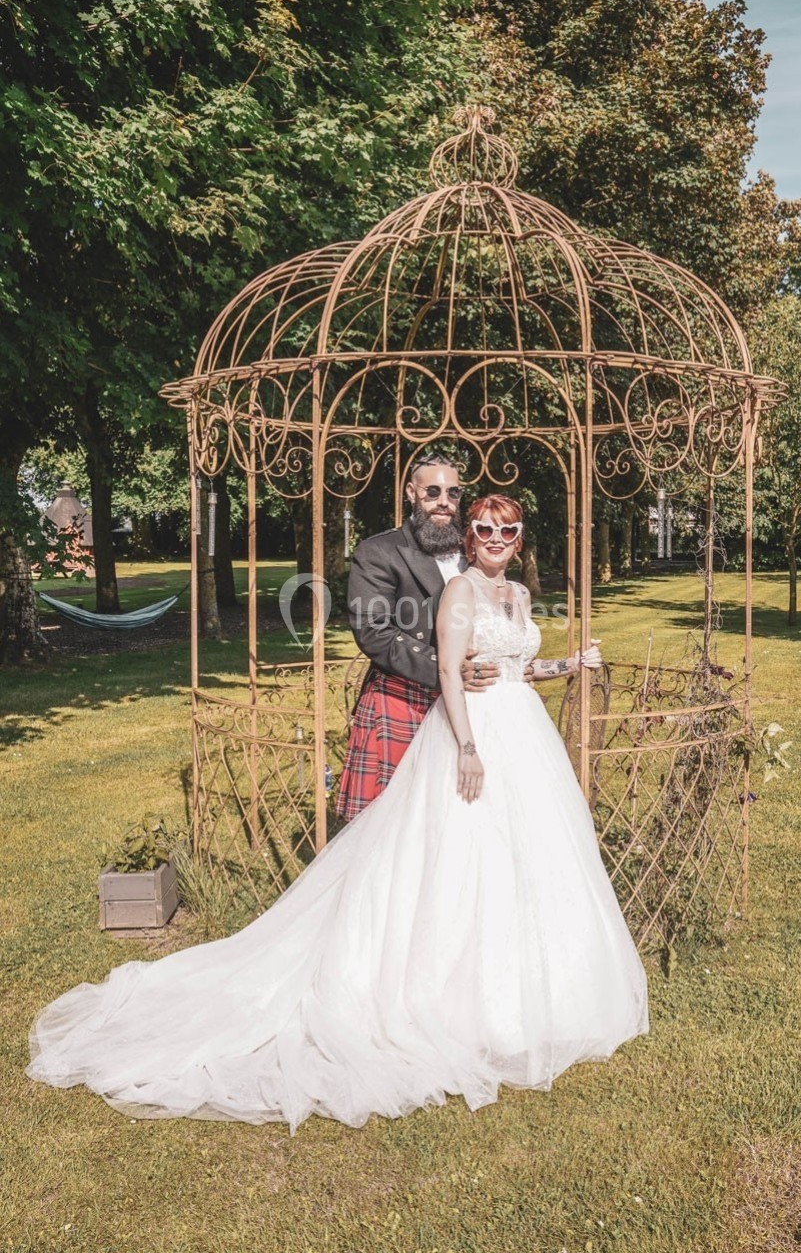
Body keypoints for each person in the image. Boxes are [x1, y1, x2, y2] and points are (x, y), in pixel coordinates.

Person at [26, 494, 649, 1134]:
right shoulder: (459, 592)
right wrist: (467, 747)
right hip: (474, 738)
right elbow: (452, 676)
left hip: (525, 736)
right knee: (459, 859)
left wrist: (566, 664)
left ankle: (532, 996)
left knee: (527, 862)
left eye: (507, 529)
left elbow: (513, 671)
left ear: (520, 537)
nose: (495, 537)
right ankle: (448, 1000)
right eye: (483, 528)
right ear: (470, 534)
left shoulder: (518, 595)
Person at [337, 452, 522, 822]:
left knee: (463, 814)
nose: (444, 502)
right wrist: (448, 668)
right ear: (411, 493)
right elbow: (374, 632)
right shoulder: (380, 551)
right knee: (394, 817)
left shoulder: (474, 551)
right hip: (404, 693)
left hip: (473, 704)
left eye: (453, 493)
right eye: (432, 491)